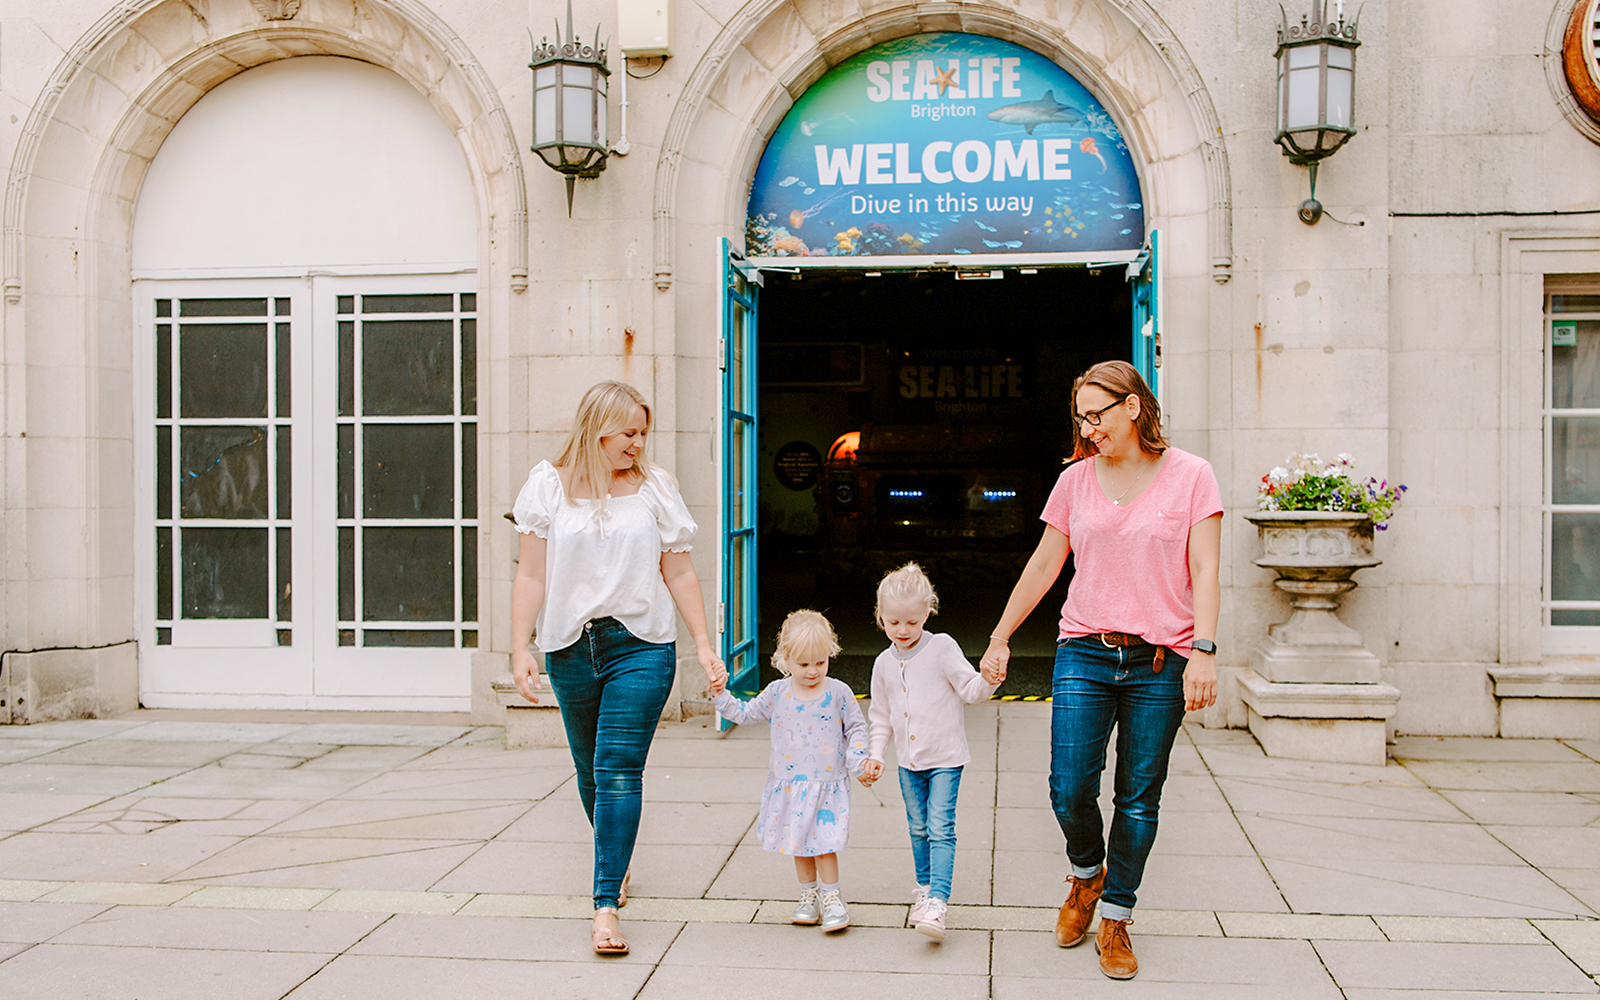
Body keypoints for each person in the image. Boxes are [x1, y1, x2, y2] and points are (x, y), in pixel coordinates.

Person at [980, 360, 1221, 981]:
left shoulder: (1193, 477)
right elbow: (1043, 566)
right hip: (1085, 650)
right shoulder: (1075, 481)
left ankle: (1115, 916)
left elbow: (1207, 570)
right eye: (1080, 417)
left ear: (1132, 408)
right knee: (1068, 786)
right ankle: (1087, 877)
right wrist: (1001, 636)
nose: (1088, 429)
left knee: (1138, 799)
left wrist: (1206, 652)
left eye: (1097, 414)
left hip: (1162, 660)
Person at [510, 380, 727, 956]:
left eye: (643, 432)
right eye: (629, 432)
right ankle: (618, 860)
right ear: (597, 427)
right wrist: (518, 648)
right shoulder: (547, 487)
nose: (638, 442)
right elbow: (531, 575)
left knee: (618, 770)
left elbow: (679, 571)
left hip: (641, 645)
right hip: (569, 648)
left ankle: (605, 905)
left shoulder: (655, 488)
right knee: (588, 771)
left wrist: (703, 643)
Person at [860, 562, 1000, 941]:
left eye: (911, 622)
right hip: (908, 762)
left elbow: (969, 690)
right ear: (880, 618)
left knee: (940, 826)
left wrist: (988, 680)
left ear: (927, 613)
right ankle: (923, 891)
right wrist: (875, 754)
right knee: (917, 827)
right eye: (893, 623)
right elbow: (881, 716)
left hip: (946, 759)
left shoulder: (941, 648)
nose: (902, 631)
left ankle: (938, 901)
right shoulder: (883, 664)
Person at [709, 609, 870, 932]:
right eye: (804, 664)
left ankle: (832, 896)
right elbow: (746, 712)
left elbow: (856, 729)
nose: (813, 671)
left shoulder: (838, 693)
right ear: (785, 659)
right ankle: (808, 895)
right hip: (791, 786)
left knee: (824, 844)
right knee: (799, 844)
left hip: (826, 785)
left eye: (820, 662)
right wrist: (720, 696)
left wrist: (859, 760)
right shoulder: (777, 693)